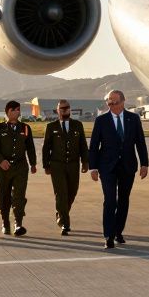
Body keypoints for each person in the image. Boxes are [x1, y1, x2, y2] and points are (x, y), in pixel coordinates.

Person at [88, 90, 148, 249]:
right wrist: (92, 167)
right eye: (109, 103)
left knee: (123, 200)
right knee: (109, 200)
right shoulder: (101, 120)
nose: (111, 105)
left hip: (128, 166)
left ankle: (118, 231)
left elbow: (140, 142)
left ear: (123, 102)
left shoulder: (133, 119)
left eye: (114, 102)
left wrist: (144, 164)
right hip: (107, 166)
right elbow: (94, 145)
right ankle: (108, 234)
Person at [0, 100, 36, 236]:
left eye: (19, 110)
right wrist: (1, 161)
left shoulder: (25, 128)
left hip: (20, 167)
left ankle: (18, 224)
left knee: (19, 197)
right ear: (8, 111)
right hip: (4, 169)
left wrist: (33, 164)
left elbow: (30, 147)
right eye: (15, 110)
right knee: (3, 196)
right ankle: (5, 222)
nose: (18, 112)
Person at [42, 99, 88, 235]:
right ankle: (65, 223)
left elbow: (83, 145)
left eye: (66, 108)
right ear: (57, 110)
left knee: (72, 192)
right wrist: (46, 165)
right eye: (61, 108)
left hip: (73, 165)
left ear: (70, 109)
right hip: (57, 165)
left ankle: (61, 213)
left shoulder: (77, 125)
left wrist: (85, 162)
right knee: (61, 194)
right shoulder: (51, 126)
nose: (64, 110)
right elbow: (46, 148)